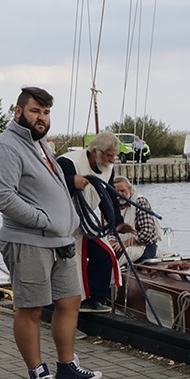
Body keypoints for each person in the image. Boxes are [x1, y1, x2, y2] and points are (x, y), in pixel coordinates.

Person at [0, 86, 102, 379]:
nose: (41, 117)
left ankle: (66, 365)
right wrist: (45, 221)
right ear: (18, 111)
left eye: (46, 112)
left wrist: (69, 221)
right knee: (31, 308)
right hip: (28, 241)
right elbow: (4, 198)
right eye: (35, 111)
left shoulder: (41, 145)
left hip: (59, 240)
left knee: (70, 301)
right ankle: (36, 373)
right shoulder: (6, 148)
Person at [57, 131, 133, 312]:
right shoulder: (69, 163)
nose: (112, 161)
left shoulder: (107, 168)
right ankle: (71, 304)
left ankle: (94, 300)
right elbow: (49, 186)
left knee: (105, 255)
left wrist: (118, 223)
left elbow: (108, 197)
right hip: (64, 224)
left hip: (86, 224)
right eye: (109, 156)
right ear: (95, 152)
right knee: (73, 265)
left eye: (114, 156)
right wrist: (70, 182)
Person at [110, 176, 161, 265]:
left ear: (130, 189)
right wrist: (112, 242)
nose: (119, 194)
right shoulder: (113, 205)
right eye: (116, 192)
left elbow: (146, 232)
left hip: (144, 247)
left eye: (123, 191)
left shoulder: (140, 202)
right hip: (121, 245)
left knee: (114, 259)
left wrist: (126, 243)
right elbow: (110, 231)